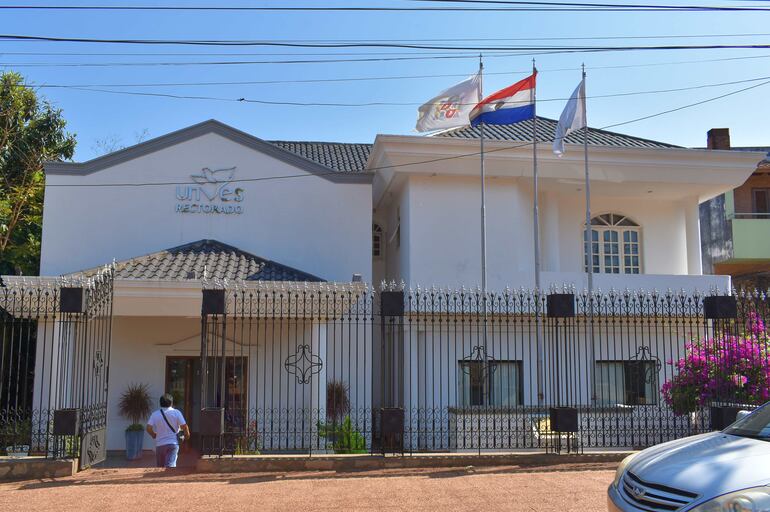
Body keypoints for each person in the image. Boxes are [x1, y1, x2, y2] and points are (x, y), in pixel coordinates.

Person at [146, 393, 191, 468]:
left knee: (160, 468)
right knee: (169, 467)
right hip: (172, 444)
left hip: (159, 445)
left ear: (160, 403)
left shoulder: (155, 414)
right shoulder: (176, 412)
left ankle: (160, 479)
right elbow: (184, 426)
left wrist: (154, 435)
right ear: (171, 403)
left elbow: (148, 428)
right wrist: (187, 436)